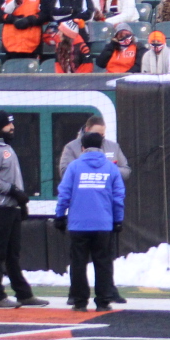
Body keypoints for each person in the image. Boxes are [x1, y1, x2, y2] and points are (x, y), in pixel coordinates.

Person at [53, 130, 125, 312]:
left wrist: (60, 215)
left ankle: (79, 301)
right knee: (103, 262)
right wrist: (118, 220)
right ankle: (103, 301)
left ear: (82, 147)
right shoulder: (110, 168)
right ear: (101, 147)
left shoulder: (74, 167)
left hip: (78, 224)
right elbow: (118, 197)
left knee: (78, 263)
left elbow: (64, 194)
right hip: (103, 224)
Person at [0, 113, 43, 307]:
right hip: (0, 207)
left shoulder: (4, 146)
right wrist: (13, 191)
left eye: (12, 123)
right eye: (8, 124)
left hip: (11, 206)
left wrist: (20, 204)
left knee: (13, 254)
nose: (12, 127)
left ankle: (23, 294)